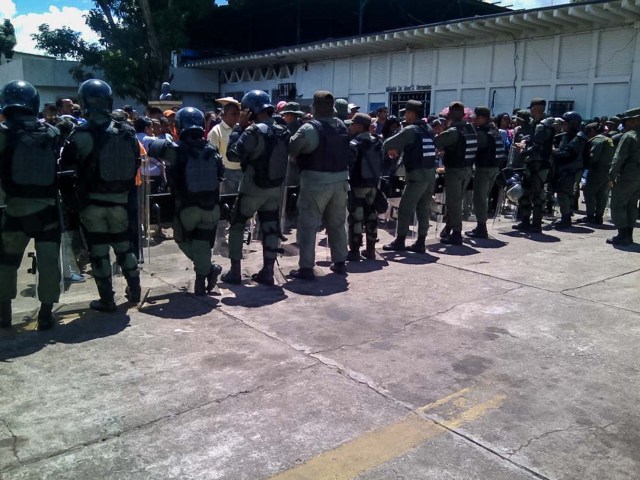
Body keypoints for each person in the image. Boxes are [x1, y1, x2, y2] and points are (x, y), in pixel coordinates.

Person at [60, 79, 141, 312]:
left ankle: (107, 300)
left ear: (84, 102)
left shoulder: (80, 135)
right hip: (121, 203)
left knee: (98, 252)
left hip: (92, 205)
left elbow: (65, 173)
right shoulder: (126, 132)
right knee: (124, 248)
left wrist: (71, 202)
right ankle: (134, 291)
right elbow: (134, 163)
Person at [0, 80, 61, 330]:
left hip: (13, 210)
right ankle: (46, 314)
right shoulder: (52, 132)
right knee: (48, 264)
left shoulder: (3, 134)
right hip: (48, 212)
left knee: (6, 263)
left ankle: (4, 313)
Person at [149, 107, 225, 294]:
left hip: (187, 209)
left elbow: (153, 148)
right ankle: (203, 279)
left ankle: (207, 270)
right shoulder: (212, 150)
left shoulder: (176, 151)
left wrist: (166, 137)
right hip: (211, 208)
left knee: (182, 240)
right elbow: (220, 174)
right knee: (202, 244)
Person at [219, 90, 290, 286]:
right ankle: (268, 271)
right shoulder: (283, 130)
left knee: (237, 225)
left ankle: (235, 271)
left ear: (250, 111)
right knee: (269, 228)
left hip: (252, 188)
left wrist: (239, 128)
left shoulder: (253, 130)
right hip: (274, 188)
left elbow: (233, 155)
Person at [288, 90, 352, 279]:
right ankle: (340, 262)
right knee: (337, 223)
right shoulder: (341, 125)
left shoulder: (309, 128)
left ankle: (306, 267)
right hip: (340, 182)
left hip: (315, 183)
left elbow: (292, 148)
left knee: (308, 225)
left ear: (314, 108)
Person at [382, 100, 437, 252]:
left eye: (406, 113)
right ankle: (421, 242)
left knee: (405, 208)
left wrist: (392, 148)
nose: (405, 116)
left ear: (412, 113)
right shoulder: (428, 128)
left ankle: (400, 241)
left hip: (416, 174)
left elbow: (387, 143)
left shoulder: (410, 130)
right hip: (430, 173)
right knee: (423, 208)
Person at [434, 101, 478, 245]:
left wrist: (446, 127)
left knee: (453, 203)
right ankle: (449, 228)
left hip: (455, 170)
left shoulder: (453, 131)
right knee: (457, 201)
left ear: (452, 114)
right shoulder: (470, 127)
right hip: (467, 169)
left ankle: (457, 233)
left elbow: (438, 141)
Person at [512, 99, 555, 233]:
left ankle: (536, 224)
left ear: (538, 108)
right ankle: (525, 221)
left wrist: (524, 150)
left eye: (532, 108)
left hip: (539, 164)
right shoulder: (537, 123)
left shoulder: (544, 124)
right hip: (532, 163)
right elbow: (532, 138)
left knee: (537, 194)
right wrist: (524, 141)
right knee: (525, 193)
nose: (530, 111)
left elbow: (537, 146)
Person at [346, 113, 383, 260]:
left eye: (353, 124)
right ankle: (371, 250)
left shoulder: (354, 144)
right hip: (373, 185)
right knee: (372, 216)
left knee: (356, 218)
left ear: (360, 126)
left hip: (357, 185)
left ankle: (354, 251)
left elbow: (348, 163)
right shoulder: (378, 142)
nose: (351, 126)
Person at [466, 106, 506, 238]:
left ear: (483, 118)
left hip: (484, 168)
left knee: (479, 199)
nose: (474, 121)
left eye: (476, 118)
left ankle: (481, 228)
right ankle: (481, 226)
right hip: (494, 168)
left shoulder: (482, 132)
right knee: (484, 198)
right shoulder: (494, 130)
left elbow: (475, 148)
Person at [606, 107, 640, 246]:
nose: (625, 124)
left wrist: (611, 176)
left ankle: (622, 235)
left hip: (627, 175)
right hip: (638, 178)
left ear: (635, 120)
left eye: (627, 121)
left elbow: (618, 158)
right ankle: (629, 235)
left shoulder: (629, 136)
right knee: (632, 205)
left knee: (617, 204)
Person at [550, 111, 587, 229]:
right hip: (564, 170)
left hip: (570, 171)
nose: (563, 125)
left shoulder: (579, 137)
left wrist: (553, 152)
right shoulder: (567, 135)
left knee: (563, 194)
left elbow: (568, 154)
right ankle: (565, 216)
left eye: (565, 123)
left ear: (573, 123)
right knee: (562, 193)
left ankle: (566, 219)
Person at [579, 123, 614, 225]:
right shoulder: (608, 139)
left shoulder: (597, 140)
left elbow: (593, 157)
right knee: (602, 195)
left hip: (596, 170)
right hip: (607, 171)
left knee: (589, 193)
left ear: (593, 131)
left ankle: (590, 216)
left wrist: (584, 164)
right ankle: (599, 217)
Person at [208, 100, 241, 195]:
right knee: (226, 202)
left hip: (241, 172)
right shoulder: (215, 131)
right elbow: (212, 157)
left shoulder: (240, 129)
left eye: (238, 114)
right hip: (226, 174)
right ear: (224, 114)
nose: (237, 117)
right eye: (234, 114)